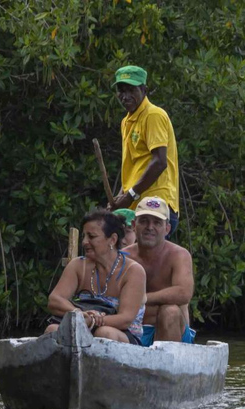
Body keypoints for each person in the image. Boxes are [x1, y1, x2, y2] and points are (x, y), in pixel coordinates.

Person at [45, 210, 146, 344]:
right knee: (53, 330)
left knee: (104, 333)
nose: (85, 242)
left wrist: (94, 320)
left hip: (122, 334)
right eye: (84, 236)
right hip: (83, 326)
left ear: (112, 240)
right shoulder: (78, 266)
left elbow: (125, 319)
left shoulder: (133, 271)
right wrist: (79, 314)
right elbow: (55, 300)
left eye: (91, 236)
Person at [109, 65, 181, 236]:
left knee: (148, 262)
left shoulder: (153, 115)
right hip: (136, 207)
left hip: (156, 207)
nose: (125, 96)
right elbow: (133, 168)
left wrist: (129, 196)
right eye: (121, 91)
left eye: (131, 90)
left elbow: (159, 162)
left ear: (144, 89)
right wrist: (118, 200)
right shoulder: (126, 121)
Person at [125, 196, 196, 346]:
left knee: (170, 312)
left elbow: (184, 293)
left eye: (157, 222)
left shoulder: (179, 255)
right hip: (131, 331)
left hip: (171, 333)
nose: (150, 227)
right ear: (133, 225)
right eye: (144, 221)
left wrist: (141, 298)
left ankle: (166, 367)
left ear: (167, 229)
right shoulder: (123, 256)